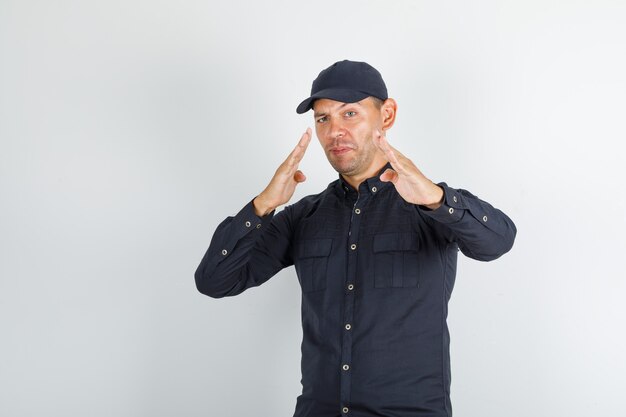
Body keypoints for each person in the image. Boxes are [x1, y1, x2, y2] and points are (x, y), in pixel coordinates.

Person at [195, 60, 517, 417]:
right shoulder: (304, 216)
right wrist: (262, 205)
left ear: (387, 115)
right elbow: (214, 281)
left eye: (350, 114)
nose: (335, 131)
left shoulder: (430, 205)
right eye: (323, 119)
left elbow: (498, 242)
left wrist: (436, 199)